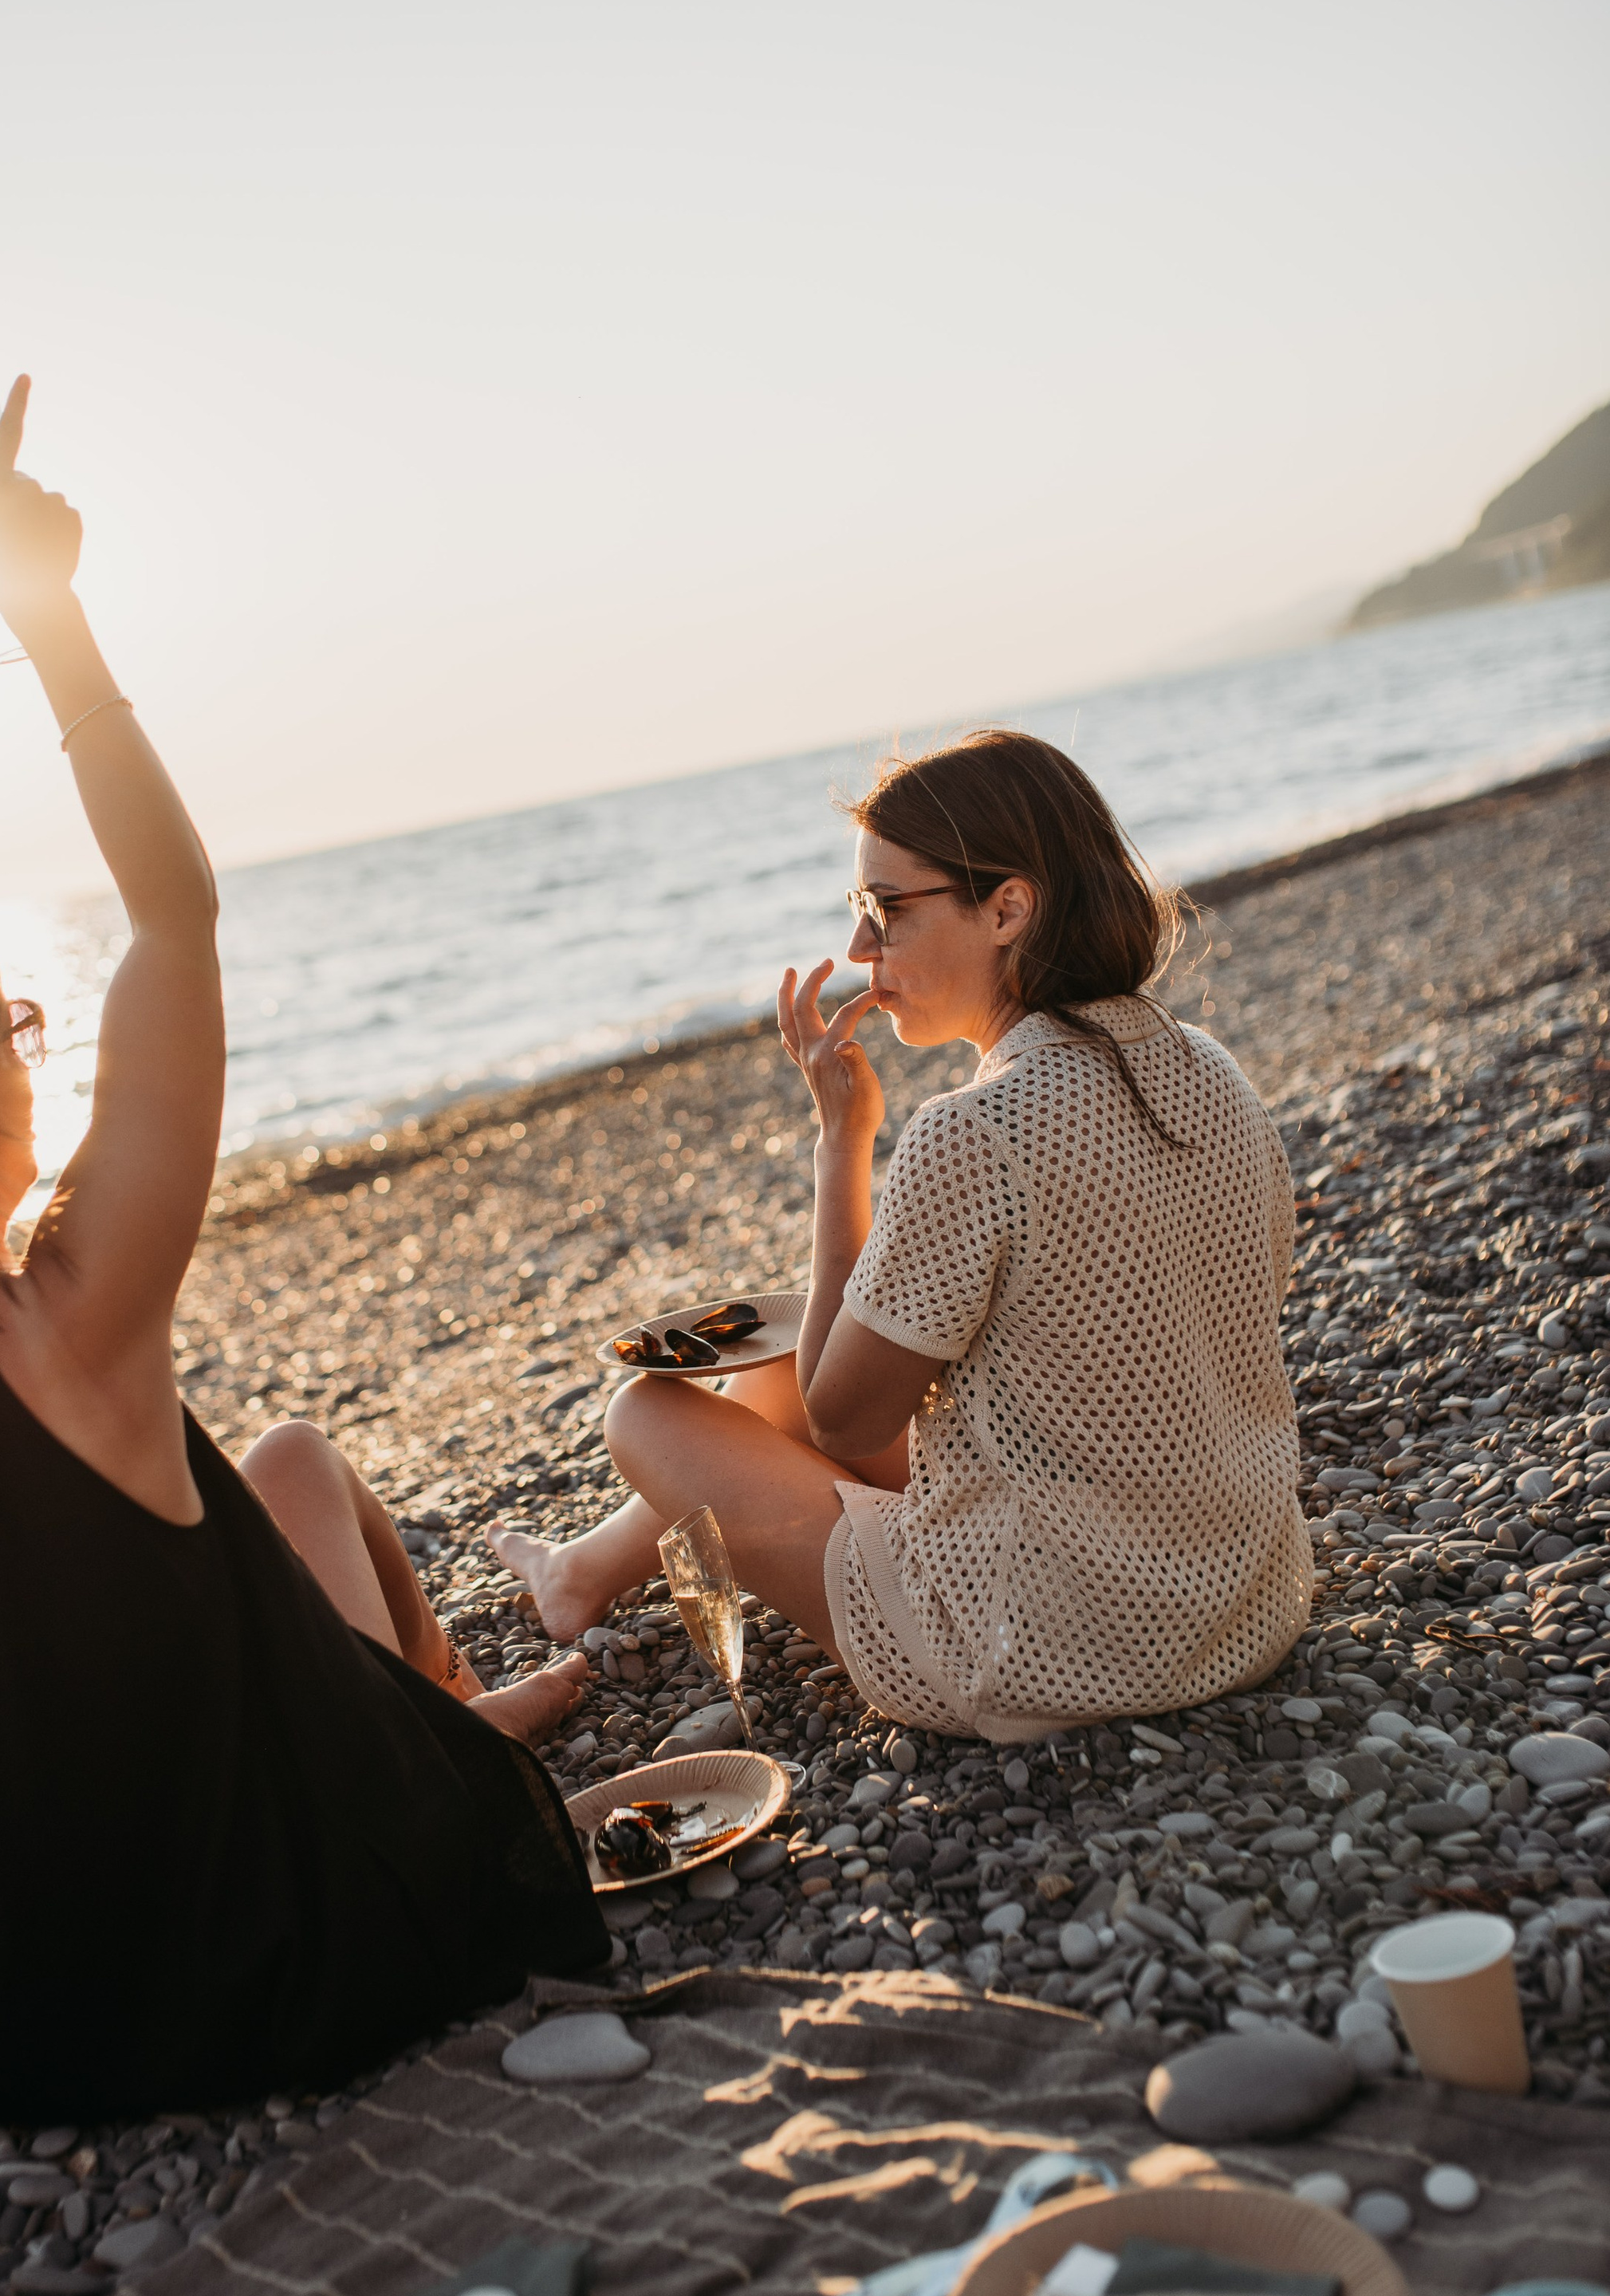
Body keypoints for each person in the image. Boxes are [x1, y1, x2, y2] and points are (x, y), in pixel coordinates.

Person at [0, 379, 604, 2131]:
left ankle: (451, 1715)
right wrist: (47, 616)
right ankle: (450, 1749)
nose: (31, 1053)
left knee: (287, 1471)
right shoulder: (68, 1323)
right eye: (11, 1028)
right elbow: (175, 913)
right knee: (294, 1485)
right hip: (256, 1970)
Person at [497, 729, 1310, 1743]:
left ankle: (578, 1572)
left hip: (1054, 1646)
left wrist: (841, 1142)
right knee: (773, 1374)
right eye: (859, 908)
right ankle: (578, 1571)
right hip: (1246, 1601)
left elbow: (840, 1419)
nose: (858, 949)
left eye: (887, 908)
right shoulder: (1209, 1068)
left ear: (1007, 908)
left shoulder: (977, 1129)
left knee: (646, 1414)